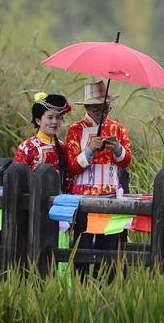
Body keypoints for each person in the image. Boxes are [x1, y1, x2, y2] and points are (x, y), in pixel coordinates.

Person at [64, 81, 133, 274]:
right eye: (97, 110)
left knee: (109, 246)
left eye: (105, 109)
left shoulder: (118, 129)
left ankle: (106, 286)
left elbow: (126, 161)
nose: (102, 114)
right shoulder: (75, 130)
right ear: (86, 108)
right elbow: (71, 167)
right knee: (82, 244)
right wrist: (90, 150)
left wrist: (117, 149)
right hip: (83, 197)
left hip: (110, 195)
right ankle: (81, 283)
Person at [13, 92, 72, 187]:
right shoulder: (27, 147)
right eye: (50, 117)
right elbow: (16, 178)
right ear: (38, 120)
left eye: (58, 118)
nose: (54, 122)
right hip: (33, 198)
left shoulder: (62, 146)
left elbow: (68, 179)